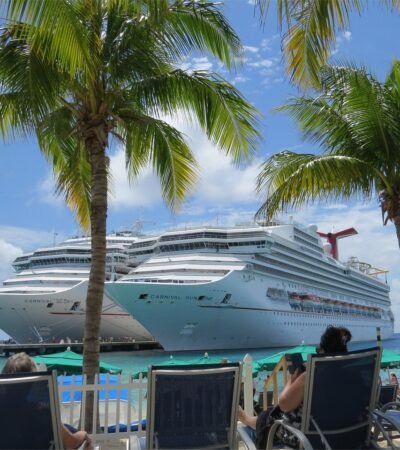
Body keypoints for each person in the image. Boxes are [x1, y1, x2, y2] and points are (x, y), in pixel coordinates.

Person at [238, 326, 352, 449]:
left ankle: (245, 419)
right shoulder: (355, 375)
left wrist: (295, 376)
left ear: (323, 351)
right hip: (347, 436)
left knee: (269, 417)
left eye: (318, 350)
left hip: (312, 440)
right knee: (270, 413)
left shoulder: (310, 376)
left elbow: (283, 404)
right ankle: (247, 419)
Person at [2, 352, 93, 450]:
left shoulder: (4, 410)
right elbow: (71, 443)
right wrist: (83, 434)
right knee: (86, 444)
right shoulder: (40, 411)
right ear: (33, 383)